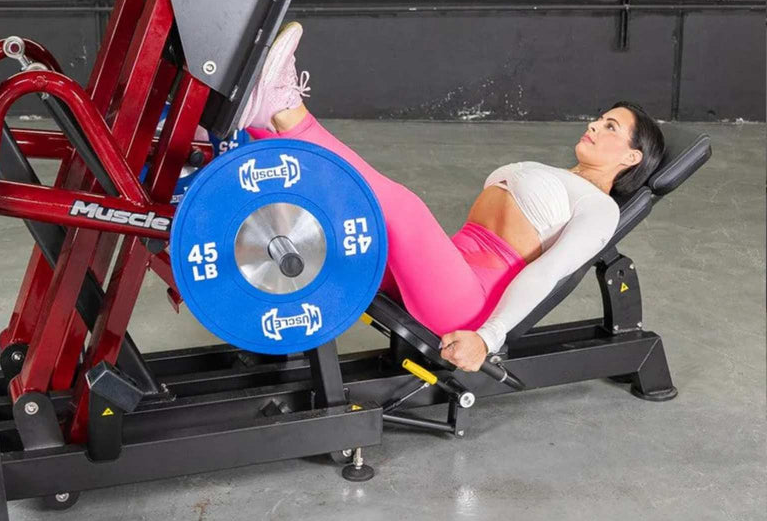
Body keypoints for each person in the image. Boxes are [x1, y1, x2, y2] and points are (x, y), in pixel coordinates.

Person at [236, 22, 666, 373]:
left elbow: (549, 273)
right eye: (600, 118)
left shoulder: (601, 208)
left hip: (464, 304)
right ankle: (255, 127)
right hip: (446, 270)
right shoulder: (558, 175)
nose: (594, 125)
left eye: (611, 127)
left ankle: (285, 112)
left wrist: (487, 339)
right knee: (345, 229)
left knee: (403, 209)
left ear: (632, 156)